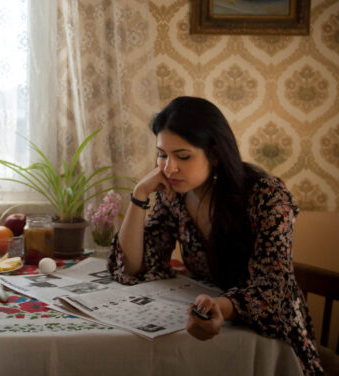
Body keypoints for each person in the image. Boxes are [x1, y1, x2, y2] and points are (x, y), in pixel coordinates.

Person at [109, 96, 323, 376]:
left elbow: (272, 293)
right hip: (206, 323)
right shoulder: (174, 194)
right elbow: (131, 266)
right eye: (162, 154)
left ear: (215, 154)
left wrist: (221, 307)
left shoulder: (267, 197)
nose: (168, 168)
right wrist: (139, 195)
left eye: (183, 156)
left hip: (270, 337)